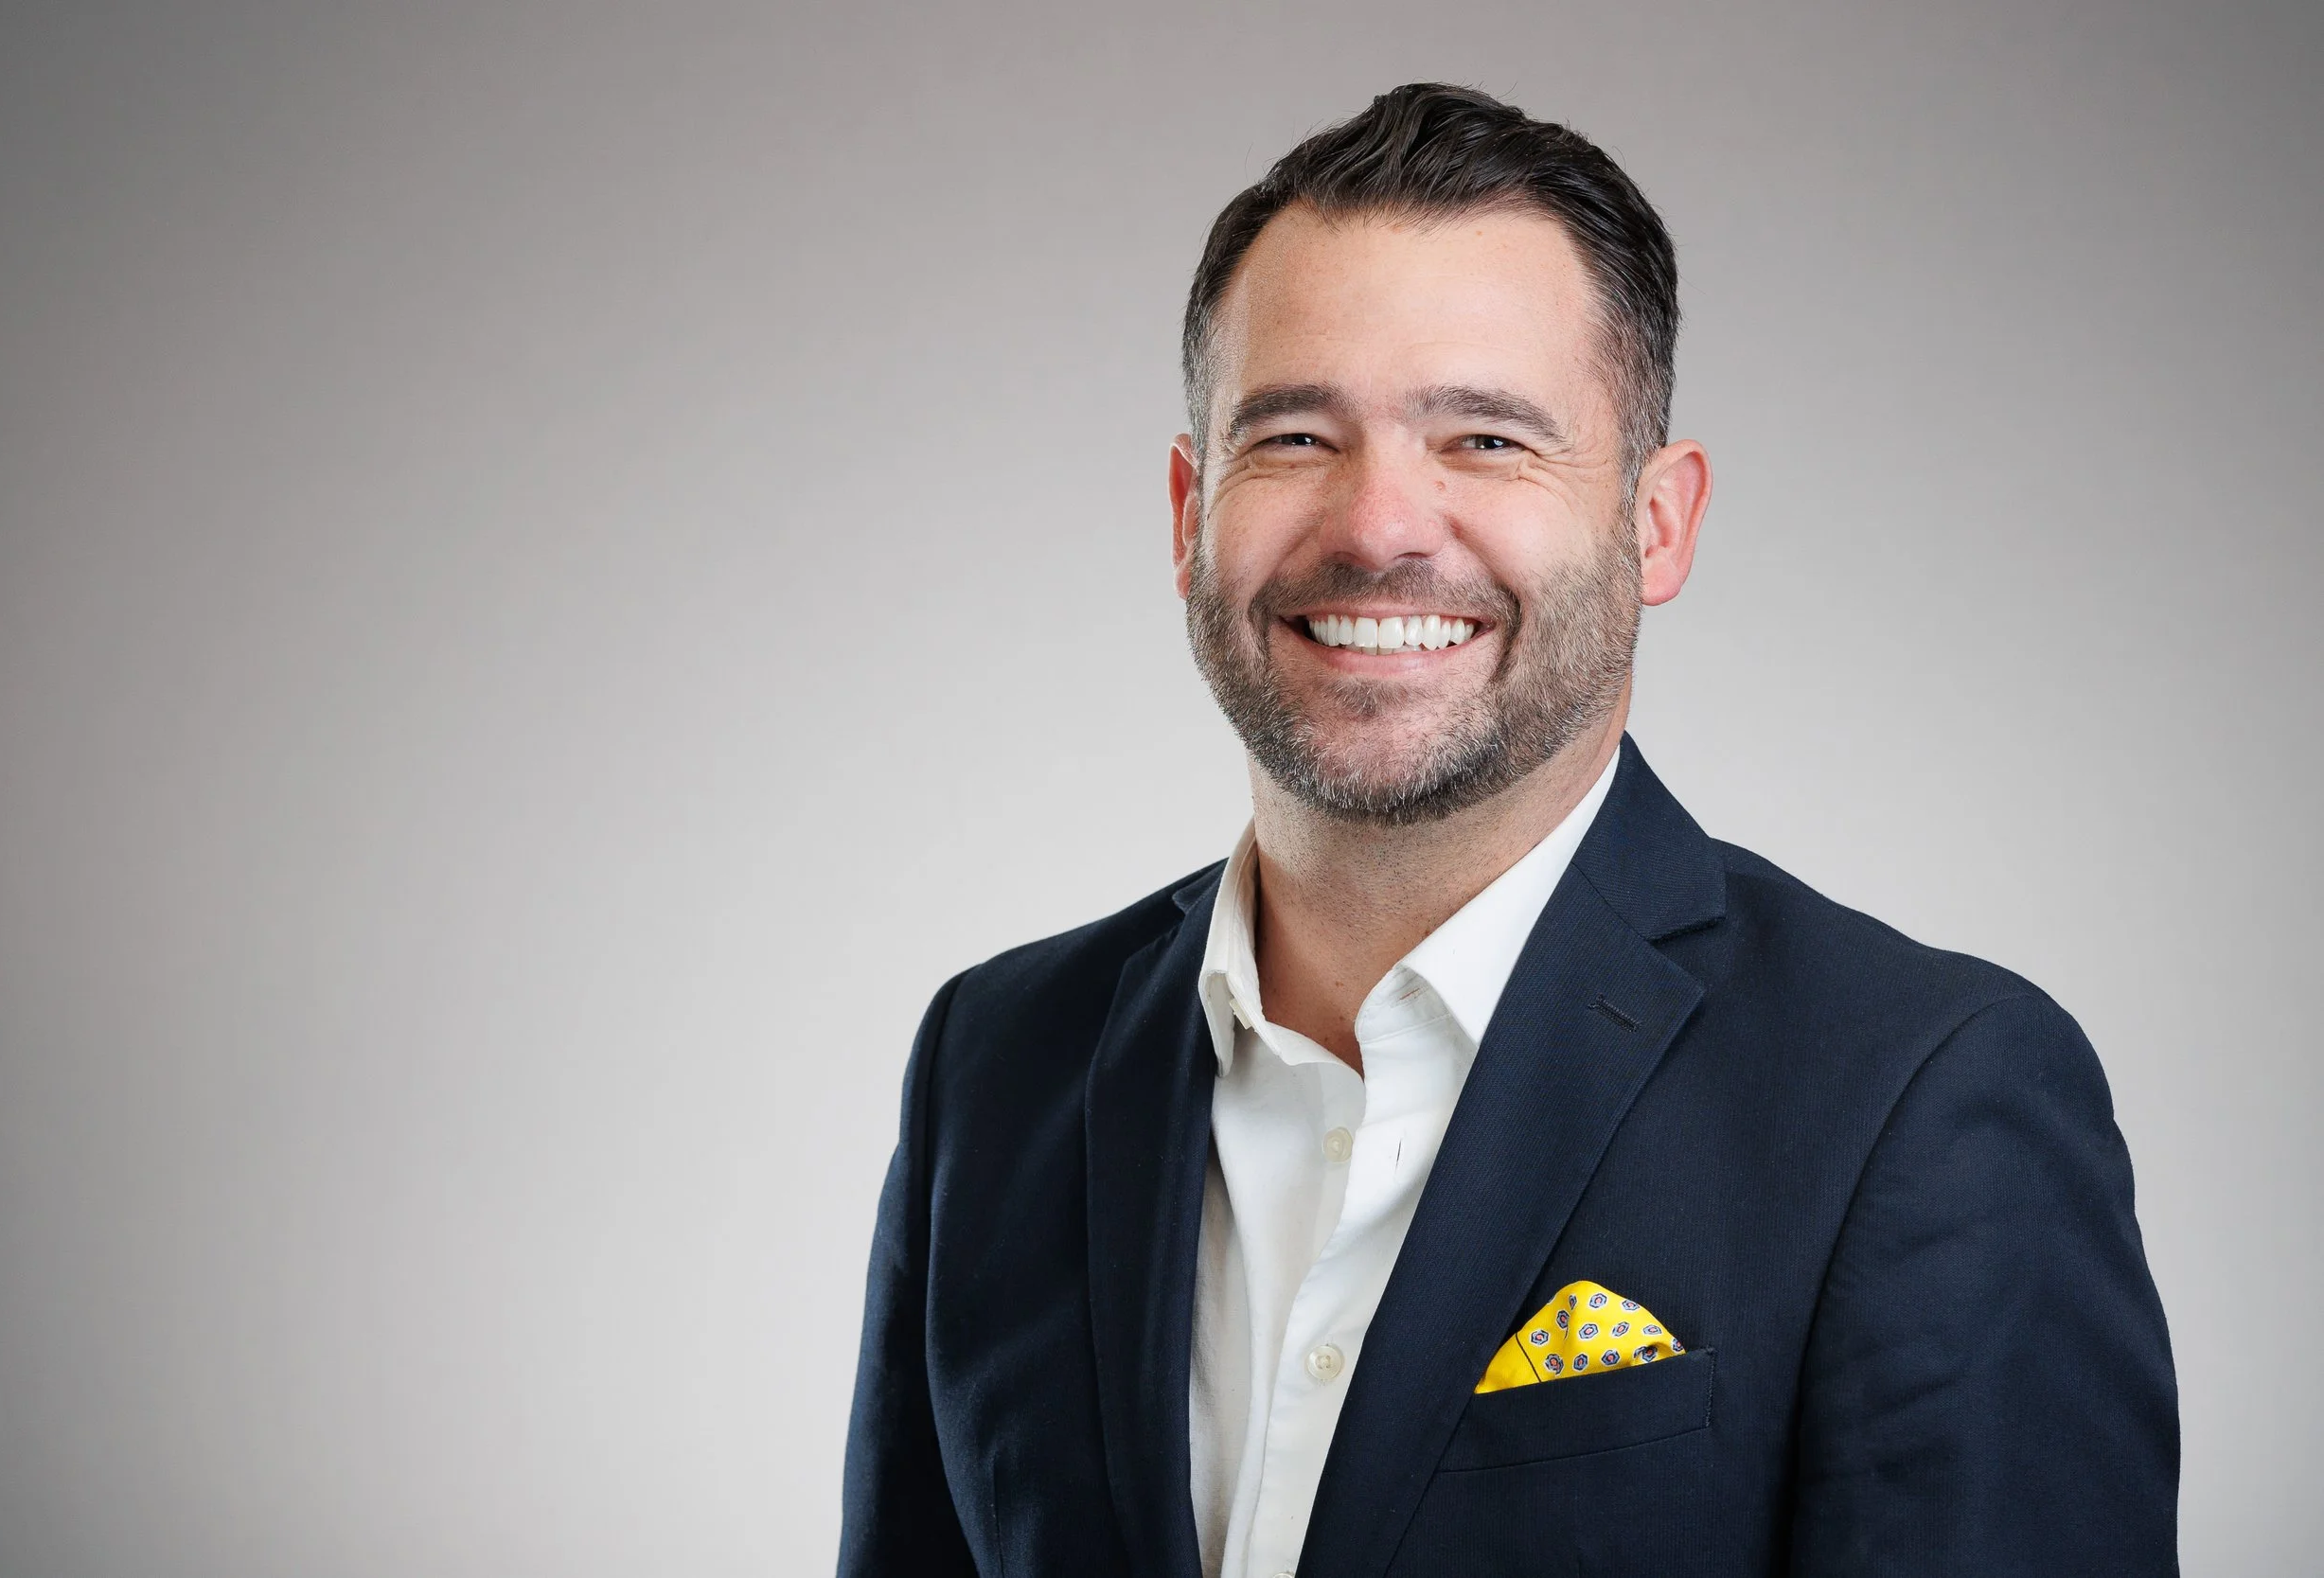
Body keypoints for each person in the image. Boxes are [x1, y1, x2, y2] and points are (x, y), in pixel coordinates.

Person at [838, 83, 2177, 1578]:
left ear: (1657, 523)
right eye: (1292, 434)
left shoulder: (1920, 1100)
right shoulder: (995, 1065)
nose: (1381, 524)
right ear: (1185, 509)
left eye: (1485, 438)